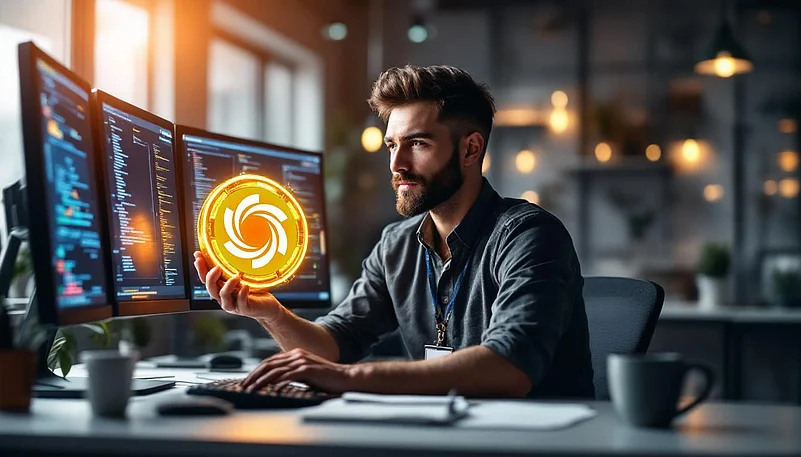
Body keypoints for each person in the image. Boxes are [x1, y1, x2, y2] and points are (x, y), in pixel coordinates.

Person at [193, 65, 594, 399]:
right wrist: (268, 311)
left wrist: (351, 378)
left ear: (470, 150)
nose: (396, 164)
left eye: (417, 143)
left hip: (535, 443)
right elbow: (334, 345)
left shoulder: (529, 236)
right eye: (391, 145)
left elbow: (510, 367)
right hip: (448, 435)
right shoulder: (396, 246)